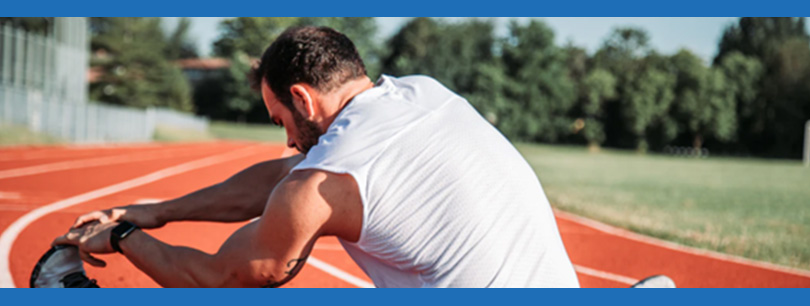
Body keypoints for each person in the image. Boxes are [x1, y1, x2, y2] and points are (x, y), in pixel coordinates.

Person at [54, 26, 580, 288]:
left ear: (302, 99)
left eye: (280, 120)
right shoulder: (422, 93)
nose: (287, 140)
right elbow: (286, 174)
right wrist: (155, 211)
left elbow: (222, 279)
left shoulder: (325, 183)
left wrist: (123, 236)